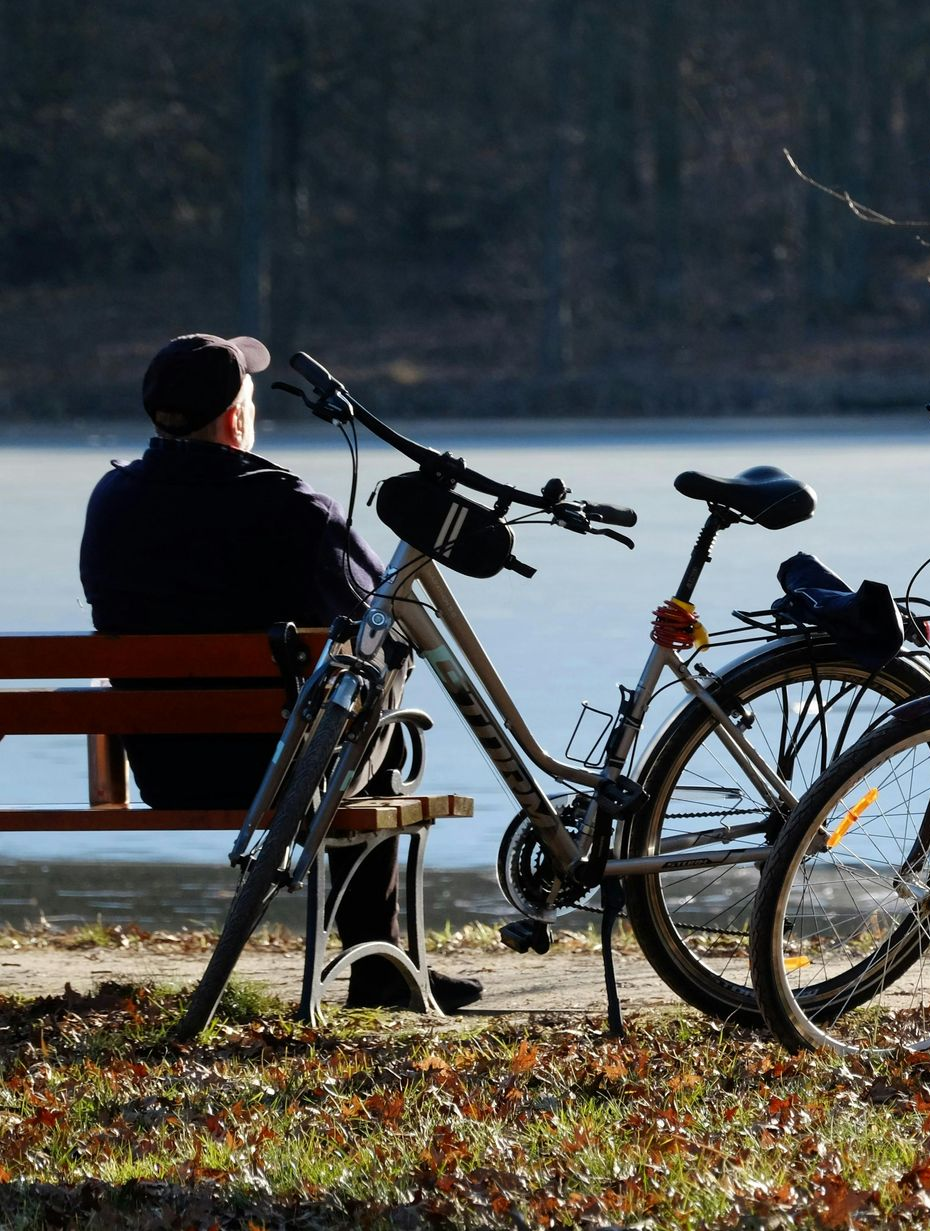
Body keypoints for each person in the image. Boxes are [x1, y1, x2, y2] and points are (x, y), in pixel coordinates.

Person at [79, 332, 481, 1012]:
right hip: (283, 771)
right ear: (236, 417)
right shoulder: (293, 507)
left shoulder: (111, 500)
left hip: (167, 767)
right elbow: (381, 610)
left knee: (345, 712)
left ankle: (380, 963)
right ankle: (378, 961)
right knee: (367, 696)